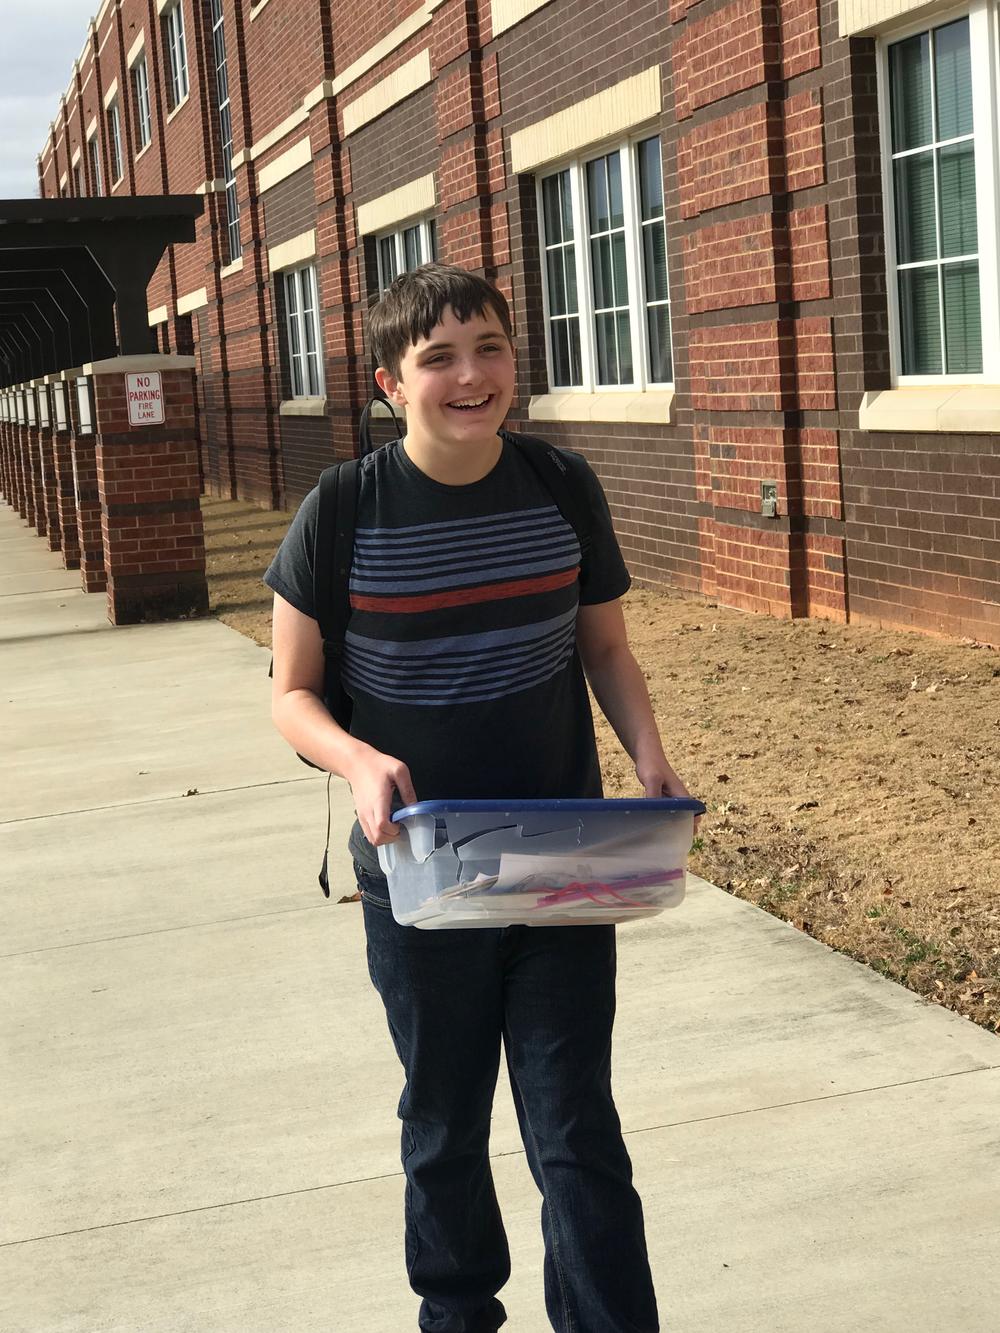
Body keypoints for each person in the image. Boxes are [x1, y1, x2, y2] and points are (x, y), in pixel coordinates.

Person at [265, 263, 693, 1332]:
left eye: (489, 347)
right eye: (439, 357)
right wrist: (357, 762)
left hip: (559, 858)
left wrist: (650, 757)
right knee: (444, 1119)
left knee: (574, 1122)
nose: (471, 375)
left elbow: (604, 646)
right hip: (418, 868)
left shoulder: (559, 484)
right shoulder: (344, 508)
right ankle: (457, 1316)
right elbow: (293, 695)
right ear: (387, 383)